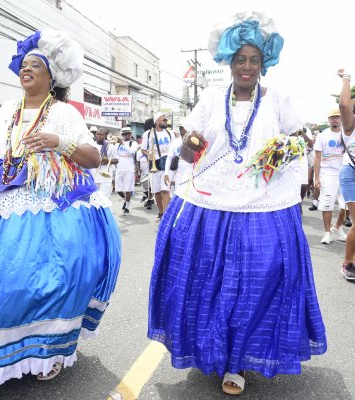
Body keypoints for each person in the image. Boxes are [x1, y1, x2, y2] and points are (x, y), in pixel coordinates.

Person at [147, 11, 326, 396]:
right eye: (240, 59)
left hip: (264, 205)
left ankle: (238, 360)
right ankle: (214, 350)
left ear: (265, 63)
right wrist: (188, 145)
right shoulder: (211, 99)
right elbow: (188, 153)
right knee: (208, 283)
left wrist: (287, 146)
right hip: (211, 205)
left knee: (258, 284)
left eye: (254, 60)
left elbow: (301, 141)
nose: (246, 67)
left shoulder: (278, 99)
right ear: (229, 61)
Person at [0, 28, 121, 398]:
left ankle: (52, 350)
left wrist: (57, 142)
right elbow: (1, 157)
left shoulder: (63, 112)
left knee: (53, 280)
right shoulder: (9, 112)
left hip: (53, 204)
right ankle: (4, 349)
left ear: (52, 77)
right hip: (3, 201)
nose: (26, 70)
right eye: (24, 65)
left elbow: (92, 158)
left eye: (35, 65)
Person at [314, 109, 347, 244]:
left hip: (345, 172)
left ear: (341, 119)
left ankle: (338, 227)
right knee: (327, 204)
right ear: (328, 120)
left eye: (337, 117)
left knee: (346, 205)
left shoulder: (348, 134)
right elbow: (317, 158)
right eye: (332, 118)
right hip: (328, 173)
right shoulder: (323, 136)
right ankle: (327, 233)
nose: (335, 120)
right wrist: (316, 178)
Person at [337, 69, 355, 280]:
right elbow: (343, 104)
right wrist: (347, 78)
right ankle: (348, 262)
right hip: (350, 172)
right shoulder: (350, 126)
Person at [141, 112, 173, 221]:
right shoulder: (148, 134)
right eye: (164, 120)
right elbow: (143, 149)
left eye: (166, 120)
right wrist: (148, 154)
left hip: (167, 166)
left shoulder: (170, 133)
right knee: (157, 192)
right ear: (157, 121)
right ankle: (160, 211)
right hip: (155, 165)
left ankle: (165, 215)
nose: (166, 122)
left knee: (165, 190)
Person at [115, 126, 137, 215]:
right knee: (117, 189)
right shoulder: (118, 144)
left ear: (130, 134)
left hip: (129, 169)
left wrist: (123, 143)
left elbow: (132, 152)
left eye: (126, 134)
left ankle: (127, 207)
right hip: (119, 169)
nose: (124, 136)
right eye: (123, 134)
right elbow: (115, 156)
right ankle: (126, 200)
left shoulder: (133, 143)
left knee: (128, 189)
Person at [164, 118, 190, 192]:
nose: (183, 130)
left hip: (191, 174)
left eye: (185, 128)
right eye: (181, 128)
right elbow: (169, 159)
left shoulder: (194, 142)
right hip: (179, 175)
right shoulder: (174, 143)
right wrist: (166, 174)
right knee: (179, 194)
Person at [92, 127, 118, 199]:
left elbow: (116, 160)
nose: (99, 136)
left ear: (105, 135)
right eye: (98, 134)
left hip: (106, 178)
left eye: (101, 134)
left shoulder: (111, 146)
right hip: (94, 176)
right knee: (94, 200)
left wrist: (108, 161)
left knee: (104, 200)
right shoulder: (91, 145)